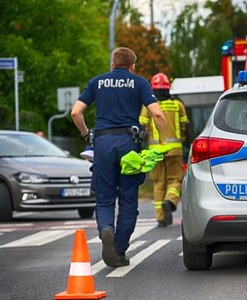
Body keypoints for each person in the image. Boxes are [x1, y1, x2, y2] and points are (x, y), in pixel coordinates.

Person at [71, 47, 167, 268]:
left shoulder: (97, 82)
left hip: (103, 143)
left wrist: (86, 133)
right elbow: (158, 114)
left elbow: (76, 112)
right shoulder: (140, 82)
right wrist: (162, 142)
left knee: (104, 198)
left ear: (112, 64)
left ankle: (106, 229)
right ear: (132, 65)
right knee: (128, 201)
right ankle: (119, 250)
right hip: (129, 145)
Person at [140, 73, 188, 227]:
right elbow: (185, 127)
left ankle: (160, 217)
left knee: (158, 183)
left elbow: (142, 127)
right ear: (169, 87)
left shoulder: (148, 106)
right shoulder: (178, 105)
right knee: (175, 180)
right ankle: (170, 200)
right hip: (175, 150)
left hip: (155, 152)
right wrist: (182, 141)